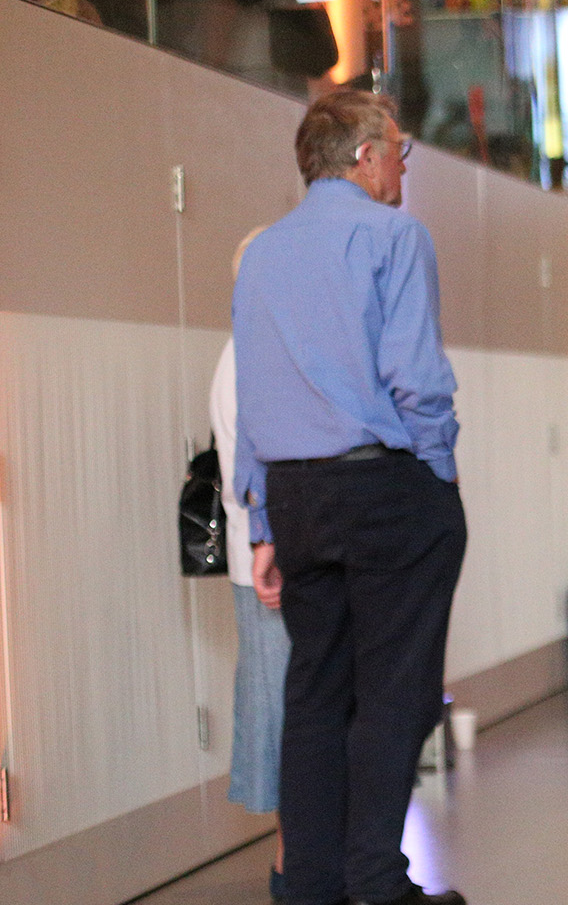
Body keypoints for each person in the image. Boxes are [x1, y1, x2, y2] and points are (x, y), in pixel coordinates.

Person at [233, 90, 467, 905]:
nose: (403, 166)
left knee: (315, 689)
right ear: (367, 156)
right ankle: (376, 879)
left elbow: (254, 399)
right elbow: (415, 376)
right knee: (395, 692)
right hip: (384, 486)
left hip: (295, 496)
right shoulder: (395, 234)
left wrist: (261, 517)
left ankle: (311, 886)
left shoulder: (260, 253)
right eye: (399, 150)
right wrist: (438, 472)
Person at [213, 226, 292, 904]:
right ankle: (293, 867)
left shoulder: (262, 355)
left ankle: (302, 862)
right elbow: (255, 479)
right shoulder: (244, 362)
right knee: (285, 721)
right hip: (268, 571)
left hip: (282, 564)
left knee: (298, 715)